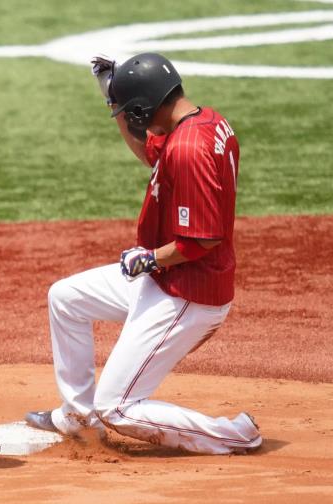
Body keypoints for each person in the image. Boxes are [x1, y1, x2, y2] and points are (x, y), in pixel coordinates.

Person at [25, 52, 262, 455]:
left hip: (189, 293)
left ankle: (233, 433)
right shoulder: (202, 122)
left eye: (129, 112)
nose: (132, 121)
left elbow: (202, 239)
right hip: (166, 278)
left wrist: (151, 258)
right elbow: (149, 151)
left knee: (116, 407)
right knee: (66, 298)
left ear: (144, 107)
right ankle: (78, 418)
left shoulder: (189, 148)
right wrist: (114, 101)